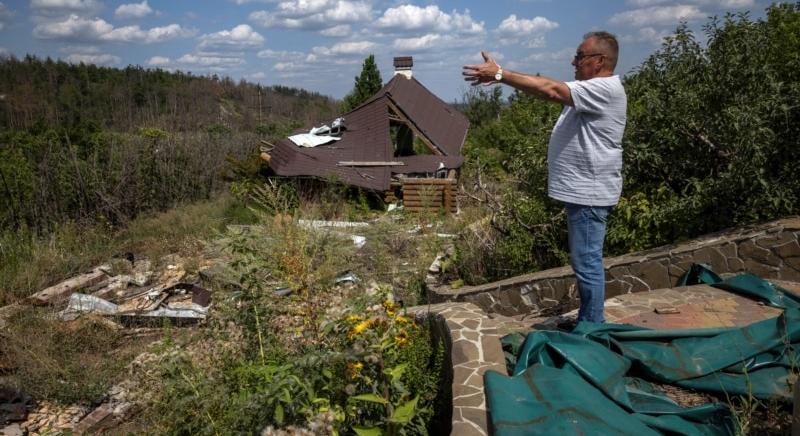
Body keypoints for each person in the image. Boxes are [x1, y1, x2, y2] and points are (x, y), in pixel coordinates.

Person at [462, 31, 627, 323]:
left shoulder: (605, 89)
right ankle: (591, 323)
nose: (573, 61)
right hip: (584, 192)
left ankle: (592, 328)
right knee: (584, 261)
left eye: (579, 56)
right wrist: (501, 78)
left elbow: (550, 89)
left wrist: (500, 74)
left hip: (590, 193)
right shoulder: (590, 88)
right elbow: (546, 89)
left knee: (587, 262)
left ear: (599, 61)